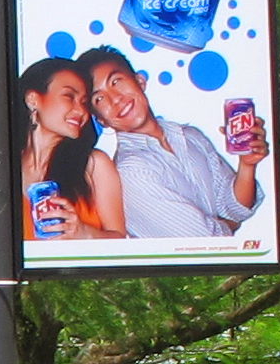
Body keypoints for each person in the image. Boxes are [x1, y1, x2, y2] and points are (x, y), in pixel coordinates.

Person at [82, 50, 264, 240]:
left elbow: (234, 209)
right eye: (99, 98)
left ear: (140, 81)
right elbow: (202, 242)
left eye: (116, 82)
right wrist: (230, 226)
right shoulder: (131, 170)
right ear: (101, 120)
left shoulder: (190, 136)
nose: (115, 98)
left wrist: (247, 164)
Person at [15, 57, 124, 239]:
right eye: (69, 96)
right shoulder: (4, 168)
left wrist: (83, 233)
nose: (80, 111)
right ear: (33, 100)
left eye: (84, 102)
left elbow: (119, 240)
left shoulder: (94, 164)